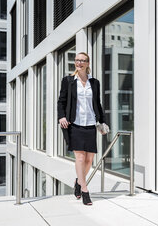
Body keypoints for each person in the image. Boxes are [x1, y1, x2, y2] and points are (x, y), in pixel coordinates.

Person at [57, 52, 109, 205]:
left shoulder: (95, 82)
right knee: (80, 157)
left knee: (89, 160)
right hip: (75, 124)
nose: (79, 62)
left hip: (90, 124)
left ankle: (79, 181)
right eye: (77, 60)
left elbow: (97, 104)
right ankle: (85, 190)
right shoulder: (68, 81)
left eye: (83, 60)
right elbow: (61, 101)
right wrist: (61, 116)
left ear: (88, 63)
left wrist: (102, 122)